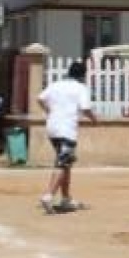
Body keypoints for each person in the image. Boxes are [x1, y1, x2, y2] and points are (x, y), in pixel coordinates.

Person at [38, 61, 97, 213]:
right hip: (67, 130)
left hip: (52, 128)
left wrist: (49, 111)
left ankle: (66, 198)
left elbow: (40, 99)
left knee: (65, 162)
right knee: (63, 164)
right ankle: (49, 196)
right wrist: (94, 119)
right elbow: (85, 108)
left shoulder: (56, 85)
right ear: (82, 75)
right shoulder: (81, 88)